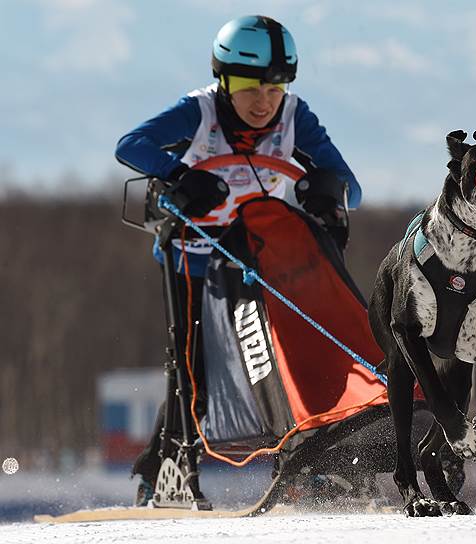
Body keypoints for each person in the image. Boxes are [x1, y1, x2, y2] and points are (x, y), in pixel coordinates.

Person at [115, 15, 360, 506]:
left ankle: (308, 467)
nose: (262, 100)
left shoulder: (295, 118)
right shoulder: (198, 113)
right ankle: (166, 472)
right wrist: (179, 173)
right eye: (249, 85)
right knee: (194, 372)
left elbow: (349, 186)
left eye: (275, 86)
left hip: (255, 265)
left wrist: (324, 193)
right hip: (192, 261)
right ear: (224, 79)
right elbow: (131, 146)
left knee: (277, 365)